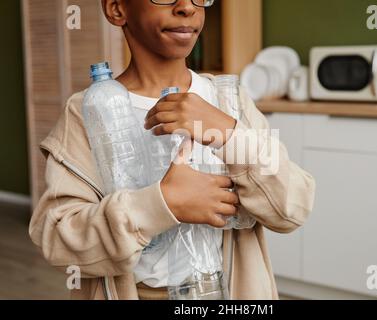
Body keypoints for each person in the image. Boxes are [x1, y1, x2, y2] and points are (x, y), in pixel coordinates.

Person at [29, 0, 316, 300]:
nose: (187, 7)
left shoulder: (230, 101)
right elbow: (57, 239)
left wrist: (229, 134)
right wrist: (162, 203)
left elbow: (292, 208)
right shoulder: (85, 111)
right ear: (116, 9)